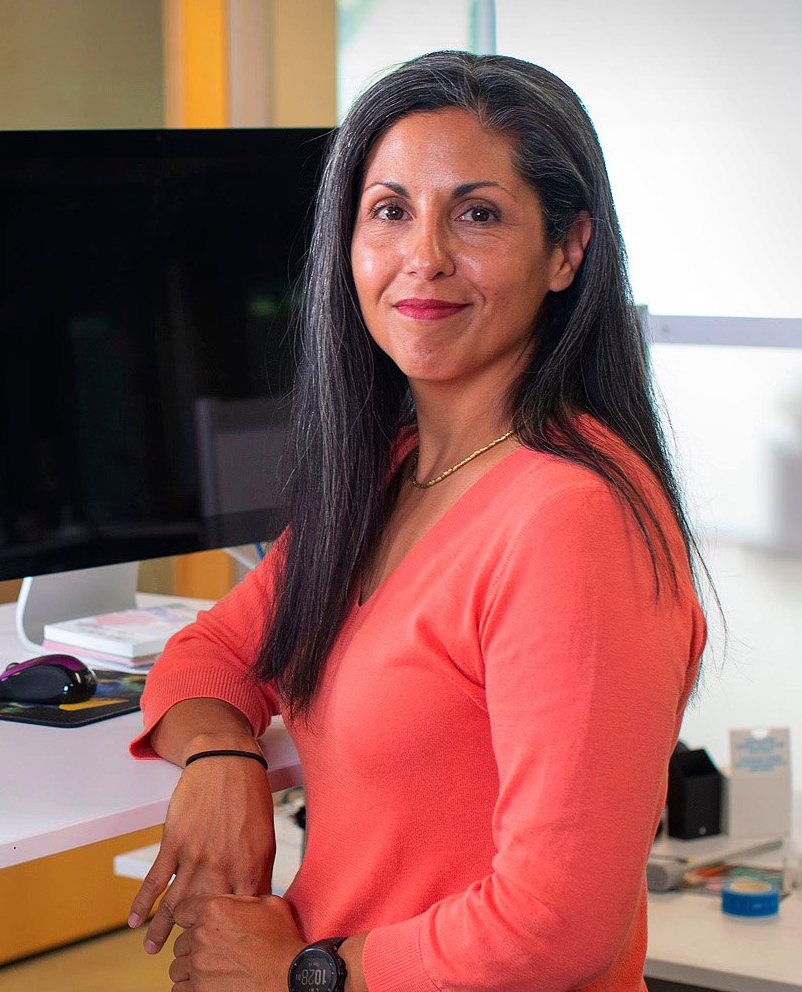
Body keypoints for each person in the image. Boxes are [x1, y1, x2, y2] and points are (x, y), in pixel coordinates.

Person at [126, 50, 710, 992]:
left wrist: (308, 972)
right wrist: (223, 752)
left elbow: (558, 927)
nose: (424, 257)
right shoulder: (389, 475)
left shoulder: (573, 519)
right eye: (390, 212)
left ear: (568, 252)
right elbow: (213, 652)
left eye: (477, 214)